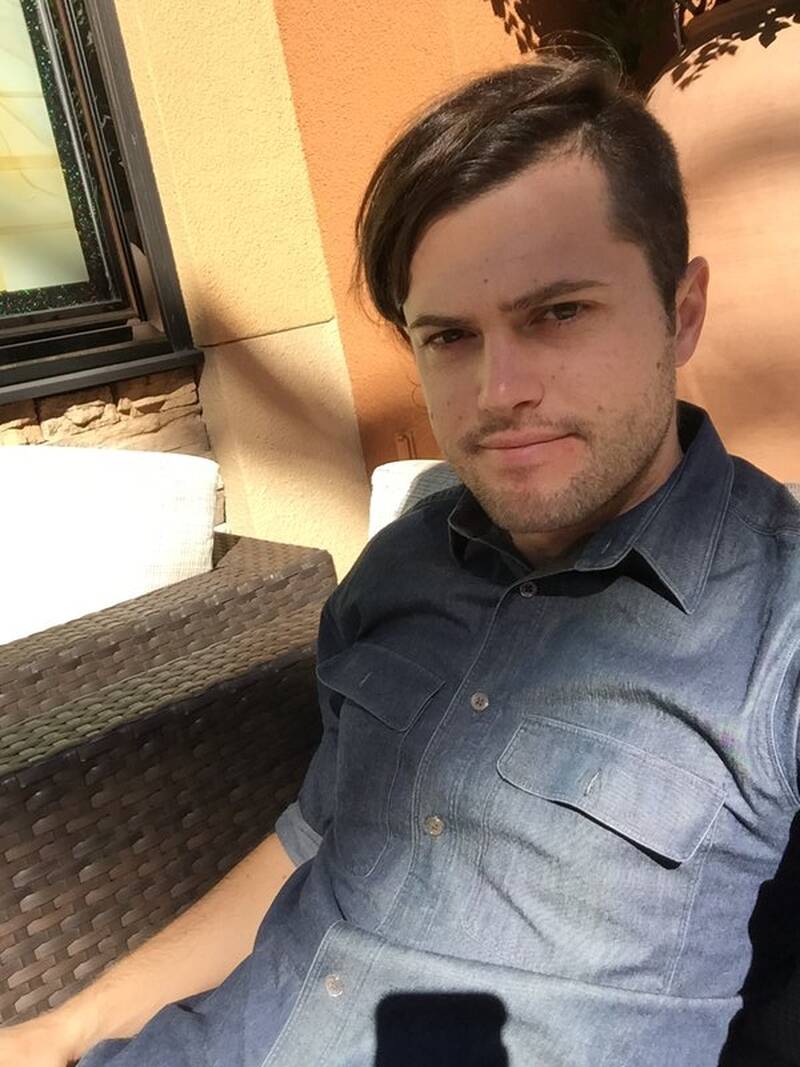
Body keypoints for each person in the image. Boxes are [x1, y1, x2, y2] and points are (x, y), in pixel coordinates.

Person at [2, 54, 799, 1067]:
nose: (500, 389)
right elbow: (313, 834)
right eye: (449, 337)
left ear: (680, 312)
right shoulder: (401, 566)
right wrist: (62, 1029)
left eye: (558, 312)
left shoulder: (774, 622)